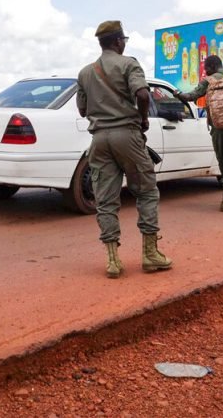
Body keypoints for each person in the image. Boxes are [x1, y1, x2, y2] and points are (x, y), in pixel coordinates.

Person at [76, 20, 174, 279]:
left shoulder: (85, 73)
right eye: (123, 41)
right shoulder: (129, 64)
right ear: (118, 41)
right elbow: (142, 95)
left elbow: (82, 109)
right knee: (146, 191)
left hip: (99, 139)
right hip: (127, 136)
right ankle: (150, 254)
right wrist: (142, 119)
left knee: (105, 199)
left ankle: (112, 261)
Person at [178, 55, 223, 212]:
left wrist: (178, 94)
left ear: (212, 66)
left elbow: (190, 96)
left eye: (206, 68)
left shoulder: (207, 82)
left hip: (217, 127)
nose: (205, 71)